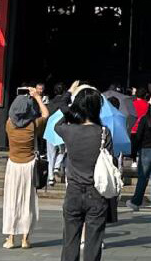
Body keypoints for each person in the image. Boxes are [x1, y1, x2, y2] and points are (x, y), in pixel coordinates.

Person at [55, 86, 113, 261]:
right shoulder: (104, 133)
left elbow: (58, 122)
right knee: (93, 243)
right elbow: (110, 160)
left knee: (70, 241)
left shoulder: (68, 130)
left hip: (73, 191)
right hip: (96, 192)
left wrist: (69, 98)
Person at [3, 86, 50, 248]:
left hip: (13, 165)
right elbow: (46, 114)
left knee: (12, 201)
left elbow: (15, 113)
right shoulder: (33, 125)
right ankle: (25, 239)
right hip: (29, 165)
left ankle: (10, 238)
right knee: (27, 202)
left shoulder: (9, 125)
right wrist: (36, 97)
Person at [45, 82, 71, 184]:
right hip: (61, 129)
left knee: (50, 155)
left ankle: (51, 178)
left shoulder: (49, 103)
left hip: (49, 129)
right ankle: (57, 166)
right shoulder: (66, 104)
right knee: (63, 151)